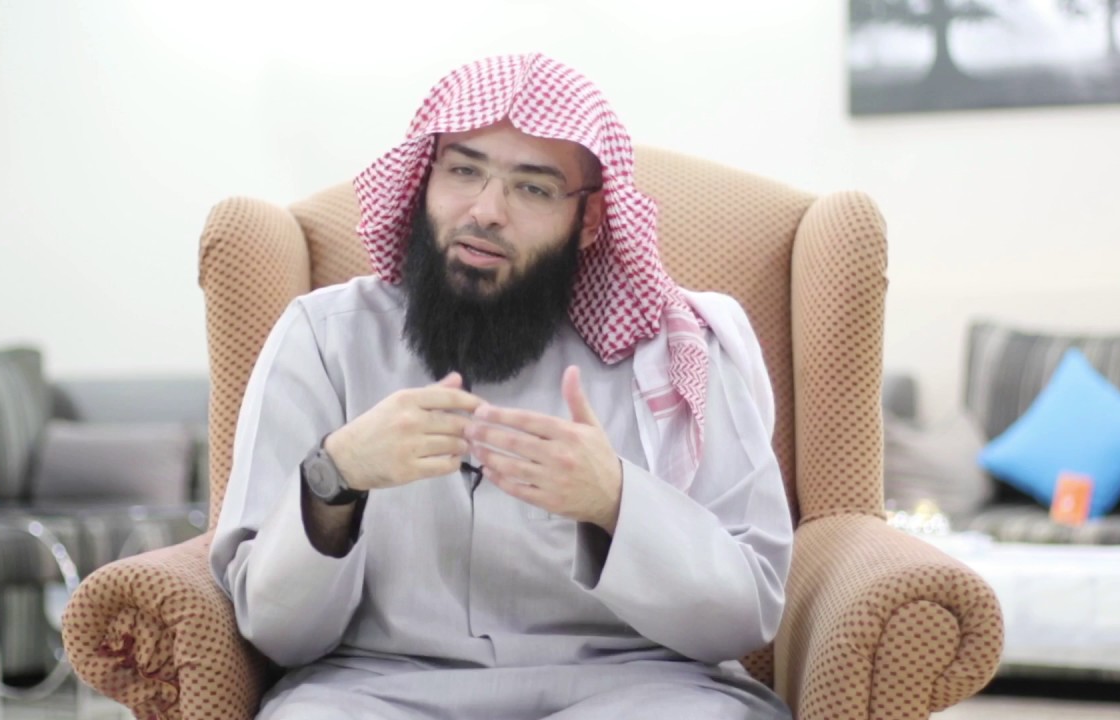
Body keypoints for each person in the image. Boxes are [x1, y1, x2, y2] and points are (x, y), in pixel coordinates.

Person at [210, 52, 794, 720]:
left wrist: (615, 500)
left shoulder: (676, 351)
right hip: (378, 691)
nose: (486, 211)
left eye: (534, 189)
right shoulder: (325, 338)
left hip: (632, 690)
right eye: (463, 171)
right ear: (424, 179)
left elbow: (745, 616)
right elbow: (275, 629)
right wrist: (335, 476)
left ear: (591, 220)